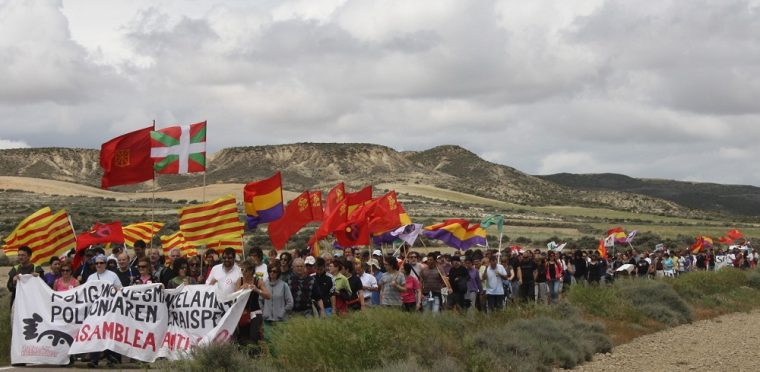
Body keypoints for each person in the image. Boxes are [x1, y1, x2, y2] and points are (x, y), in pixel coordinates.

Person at [86, 254, 122, 368]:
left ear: (105, 264)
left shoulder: (113, 275)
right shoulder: (91, 277)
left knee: (111, 334)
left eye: (101, 263)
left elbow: (120, 290)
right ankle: (94, 359)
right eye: (96, 263)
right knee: (95, 334)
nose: (99, 265)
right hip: (96, 312)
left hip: (111, 310)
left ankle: (113, 359)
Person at [236, 259, 271, 355]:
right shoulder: (240, 280)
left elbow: (268, 295)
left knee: (254, 337)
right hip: (243, 313)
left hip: (255, 312)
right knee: (243, 338)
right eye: (241, 270)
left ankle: (255, 358)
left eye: (245, 270)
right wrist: (241, 288)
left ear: (251, 271)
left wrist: (256, 290)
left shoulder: (258, 281)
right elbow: (234, 297)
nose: (243, 272)